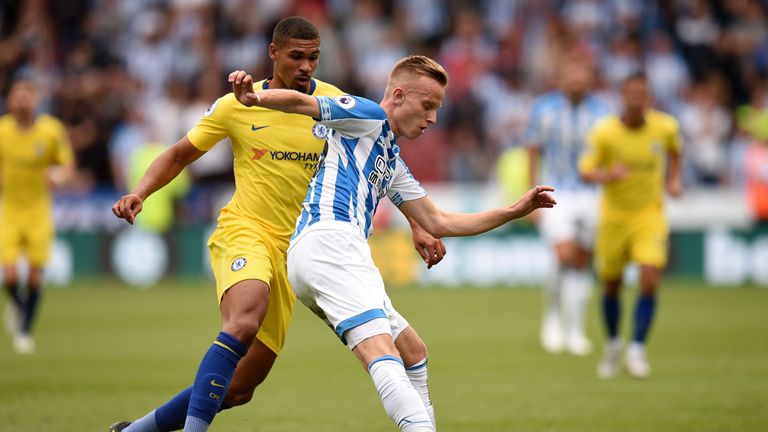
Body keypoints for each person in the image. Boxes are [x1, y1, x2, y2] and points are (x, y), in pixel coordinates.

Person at [109, 17, 446, 432]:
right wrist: (140, 191)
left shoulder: (335, 103)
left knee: (239, 388)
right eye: (297, 56)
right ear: (274, 54)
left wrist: (418, 223)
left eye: (314, 57)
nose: (307, 66)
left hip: (300, 249)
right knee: (243, 319)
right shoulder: (236, 104)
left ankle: (137, 430)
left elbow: (376, 163)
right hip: (247, 230)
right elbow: (179, 154)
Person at [229, 55, 556, 432]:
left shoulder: (390, 158)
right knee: (380, 352)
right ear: (398, 95)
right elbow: (306, 104)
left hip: (325, 253)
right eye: (427, 106)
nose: (432, 118)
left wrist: (515, 211)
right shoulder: (367, 114)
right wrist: (255, 99)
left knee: (412, 351)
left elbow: (439, 221)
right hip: (331, 243)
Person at [579, 72, 682, 379]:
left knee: (649, 276)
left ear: (649, 97)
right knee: (611, 284)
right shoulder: (605, 133)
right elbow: (586, 171)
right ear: (623, 96)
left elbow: (676, 154)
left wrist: (674, 180)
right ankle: (613, 345)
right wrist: (608, 177)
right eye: (631, 93)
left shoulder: (666, 127)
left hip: (649, 215)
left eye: (642, 94)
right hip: (613, 217)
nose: (637, 99)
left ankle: (637, 348)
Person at [525, 56, 610, 355]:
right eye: (571, 73)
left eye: (581, 74)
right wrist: (531, 197)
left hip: (592, 195)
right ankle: (552, 319)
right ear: (561, 78)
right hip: (555, 190)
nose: (576, 80)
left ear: (589, 78)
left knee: (582, 262)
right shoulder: (544, 109)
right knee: (563, 254)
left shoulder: (603, 112)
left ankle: (576, 329)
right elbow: (532, 153)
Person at [0, 77, 75, 354]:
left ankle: (24, 330)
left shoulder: (50, 131)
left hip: (38, 211)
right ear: (10, 101)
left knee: (33, 277)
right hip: (9, 210)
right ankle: (19, 309)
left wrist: (57, 175)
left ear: (35, 100)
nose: (22, 101)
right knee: (9, 277)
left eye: (27, 95)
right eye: (17, 96)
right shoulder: (3, 131)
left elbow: (67, 166)